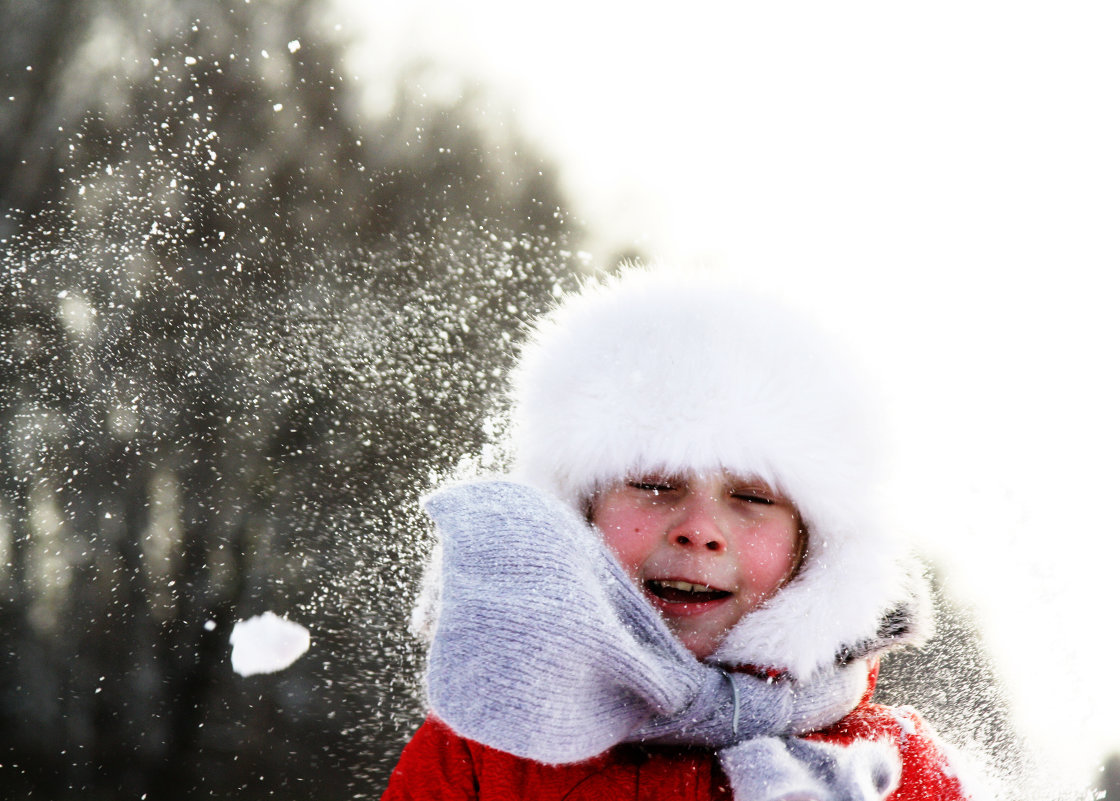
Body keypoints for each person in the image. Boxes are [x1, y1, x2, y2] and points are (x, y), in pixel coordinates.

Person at [382, 268, 988, 801]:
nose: (699, 531)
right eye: (653, 484)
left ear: (819, 549)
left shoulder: (899, 774)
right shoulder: (485, 753)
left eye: (752, 498)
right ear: (578, 513)